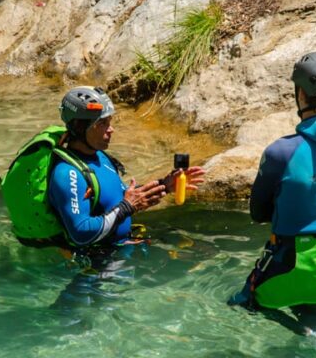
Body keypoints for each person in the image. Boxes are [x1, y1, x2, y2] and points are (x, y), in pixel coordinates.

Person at [228, 52, 316, 342]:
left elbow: (258, 212)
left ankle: (306, 334)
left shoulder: (282, 151)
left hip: (288, 261)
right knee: (315, 310)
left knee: (242, 303)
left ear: (301, 93)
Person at [48, 86, 205, 249]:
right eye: (102, 123)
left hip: (123, 247)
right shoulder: (67, 174)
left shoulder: (100, 156)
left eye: (110, 121)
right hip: (98, 266)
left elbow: (115, 197)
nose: (111, 129)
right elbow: (81, 233)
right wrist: (128, 207)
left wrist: (164, 185)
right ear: (81, 127)